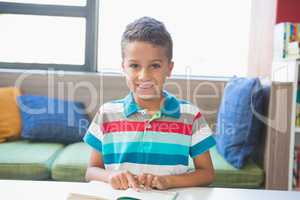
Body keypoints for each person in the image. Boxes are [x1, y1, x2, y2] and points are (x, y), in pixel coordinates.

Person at [84, 16, 216, 191]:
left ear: (169, 68)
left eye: (154, 65)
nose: (144, 75)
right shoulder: (107, 113)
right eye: (134, 66)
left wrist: (169, 181)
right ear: (123, 67)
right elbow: (91, 171)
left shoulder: (190, 115)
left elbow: (207, 173)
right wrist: (111, 176)